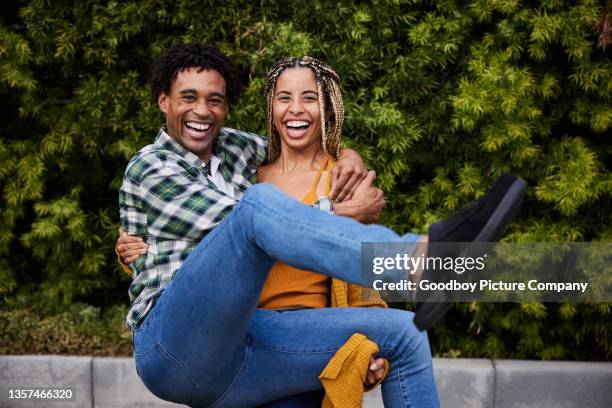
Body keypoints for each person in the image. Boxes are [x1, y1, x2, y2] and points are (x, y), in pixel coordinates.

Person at [119, 43, 524, 407]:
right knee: (255, 208)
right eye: (188, 98)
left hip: (242, 354)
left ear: (226, 109)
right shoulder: (151, 166)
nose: (203, 111)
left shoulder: (236, 150)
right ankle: (417, 263)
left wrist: (349, 153)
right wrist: (345, 213)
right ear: (163, 102)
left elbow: (300, 148)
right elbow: (237, 223)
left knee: (405, 333)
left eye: (215, 101)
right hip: (171, 346)